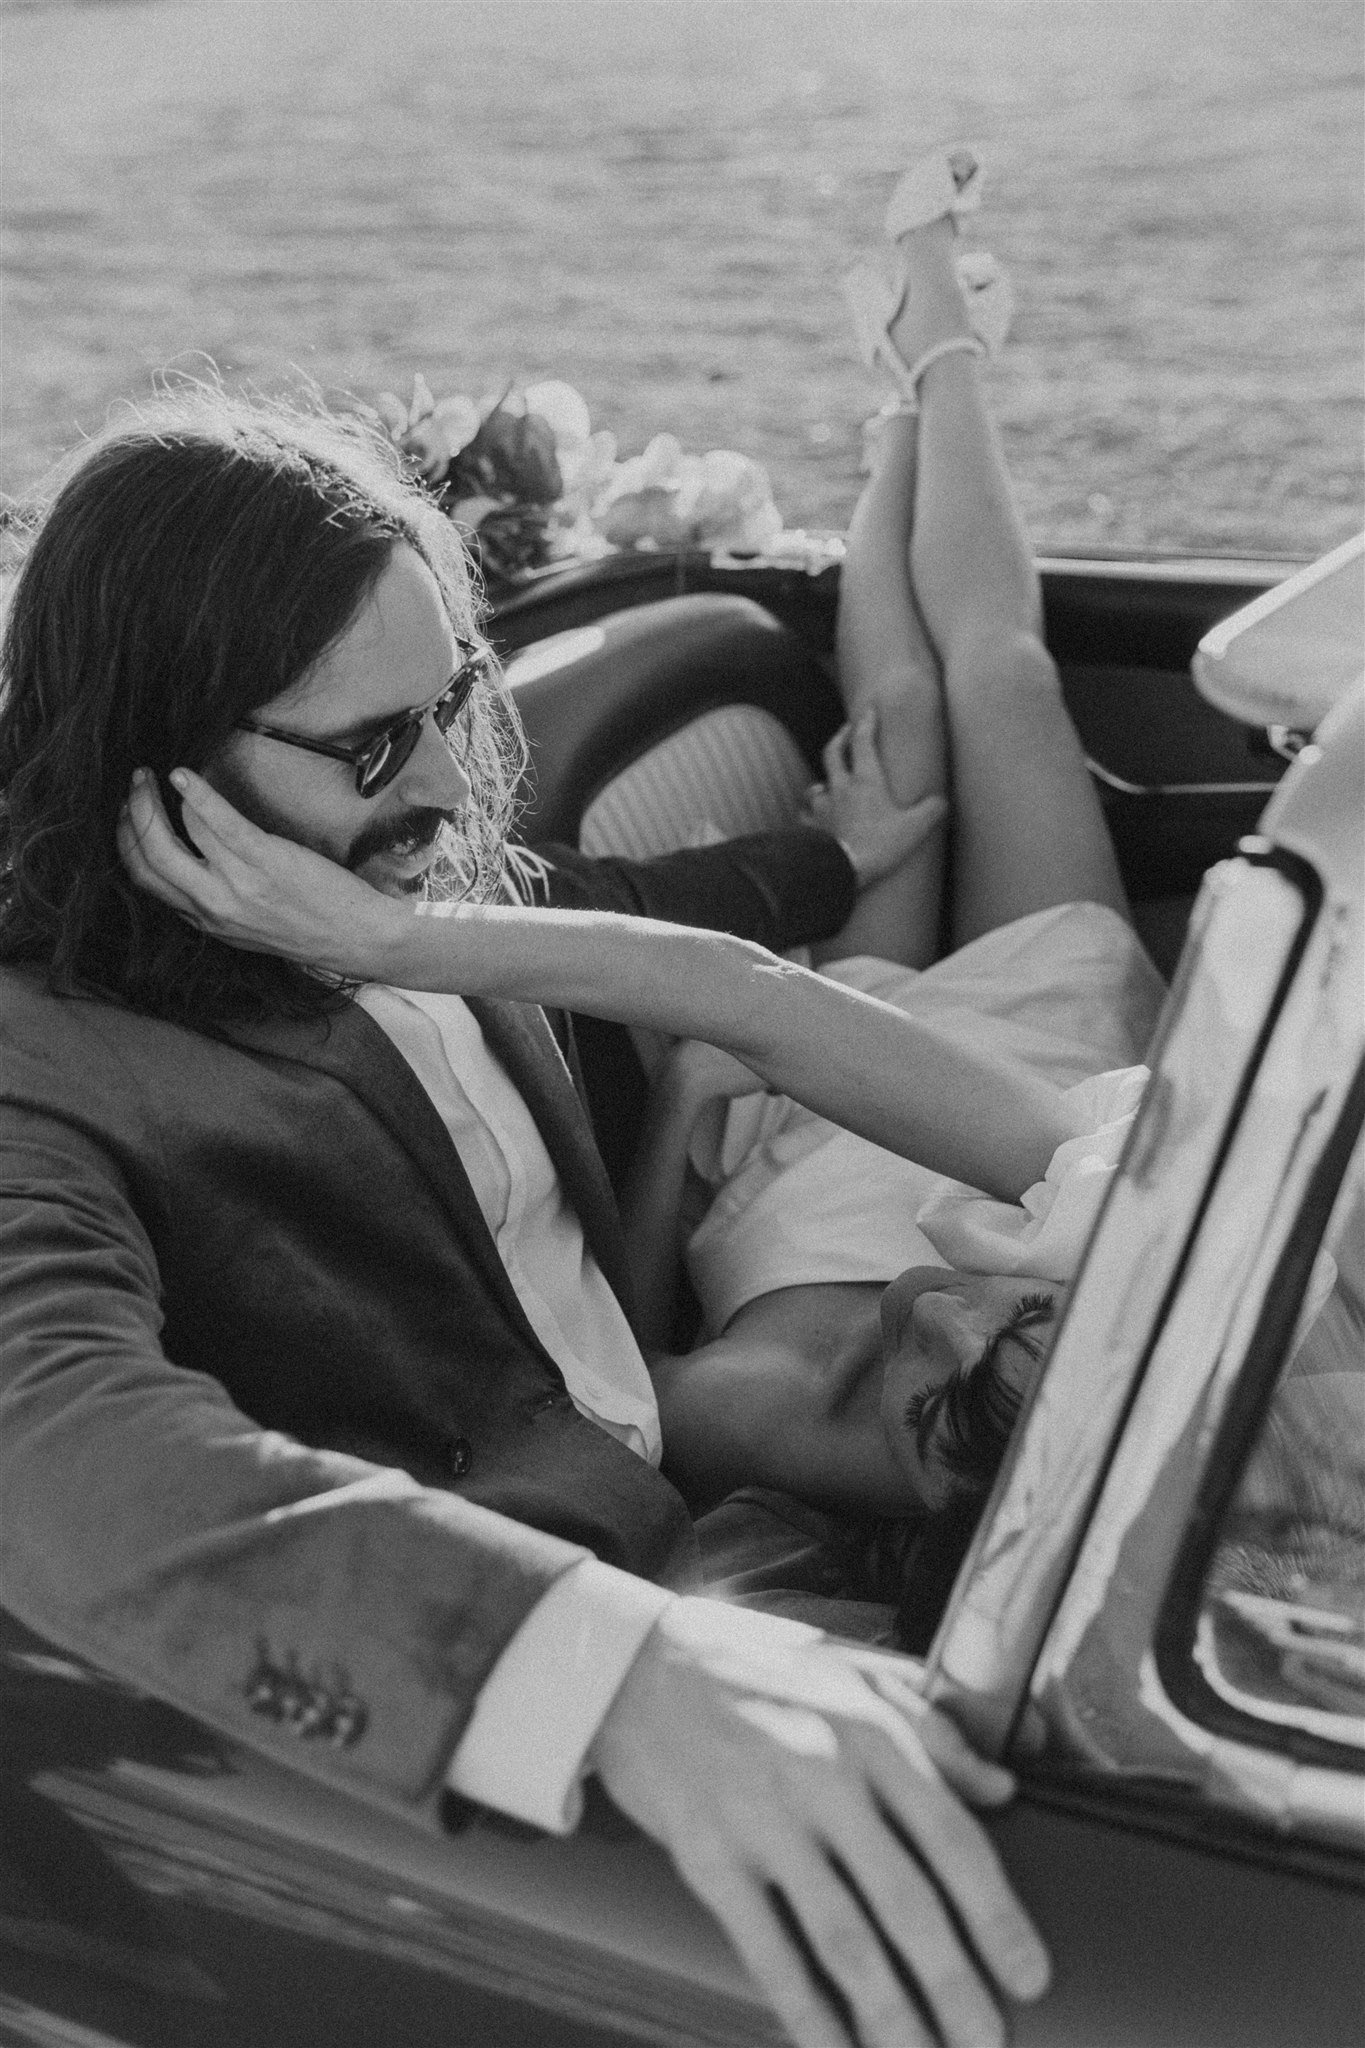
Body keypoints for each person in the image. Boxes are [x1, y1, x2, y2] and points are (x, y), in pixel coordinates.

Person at [0, 153, 1065, 2048]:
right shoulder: (37, 1071)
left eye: (459, 696)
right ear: (148, 762)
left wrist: (836, 859)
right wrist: (615, 1675)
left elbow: (637, 919)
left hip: (716, 1494)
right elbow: (65, 1456)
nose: (444, 788)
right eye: (370, 746)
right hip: (561, 1660)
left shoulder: (400, 878)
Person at [119, 156, 1164, 1650]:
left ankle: (906, 387)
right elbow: (768, 1002)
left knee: (921, 709)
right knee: (983, 683)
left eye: (929, 1399)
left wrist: (684, 1104)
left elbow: (616, 1333)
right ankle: (935, 356)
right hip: (1022, 1070)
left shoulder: (766, 1419)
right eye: (1026, 1310)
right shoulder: (1120, 1256)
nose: (942, 1291)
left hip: (796, 1110)